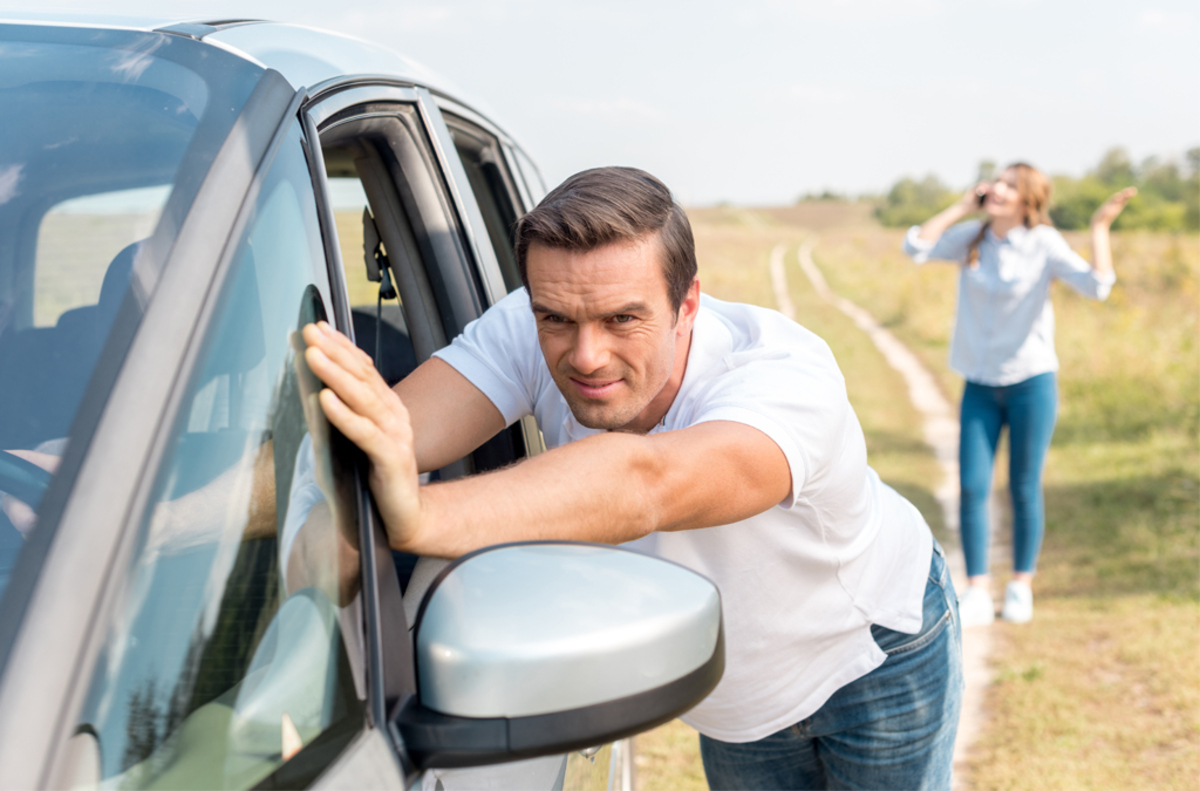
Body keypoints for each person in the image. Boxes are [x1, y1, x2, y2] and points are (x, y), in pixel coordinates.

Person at [302, 166, 961, 790]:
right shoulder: (531, 324)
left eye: (623, 318)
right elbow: (374, 441)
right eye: (555, 318)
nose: (585, 355)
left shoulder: (783, 378)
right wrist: (208, 513)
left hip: (869, 654)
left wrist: (420, 516)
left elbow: (648, 481)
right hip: (731, 691)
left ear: (688, 305)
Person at [903, 163, 1135, 627]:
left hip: (1031, 383)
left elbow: (1097, 287)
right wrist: (963, 206)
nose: (999, 189)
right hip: (980, 385)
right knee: (971, 485)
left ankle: (1020, 586)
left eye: (1011, 185)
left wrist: (1099, 227)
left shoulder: (1043, 243)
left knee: (1023, 486)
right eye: (997, 182)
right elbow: (916, 247)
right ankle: (976, 588)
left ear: (1028, 199)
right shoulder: (972, 237)